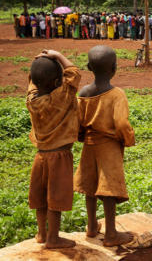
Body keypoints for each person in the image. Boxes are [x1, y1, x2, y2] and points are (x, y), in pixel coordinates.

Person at [74, 46, 134, 247]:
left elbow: (78, 122)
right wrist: (128, 139)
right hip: (109, 147)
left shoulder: (82, 93)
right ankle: (111, 234)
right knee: (108, 189)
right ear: (114, 68)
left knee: (90, 187)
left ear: (89, 67)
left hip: (89, 145)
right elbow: (122, 124)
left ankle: (91, 227)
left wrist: (82, 136)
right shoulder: (117, 94)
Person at [26, 49, 81, 249]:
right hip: (60, 156)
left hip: (40, 157)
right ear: (58, 82)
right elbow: (74, 73)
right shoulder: (62, 97)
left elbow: (33, 82)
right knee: (55, 199)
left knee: (40, 198)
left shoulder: (32, 100)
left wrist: (37, 65)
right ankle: (53, 238)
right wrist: (57, 55)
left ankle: (41, 233)